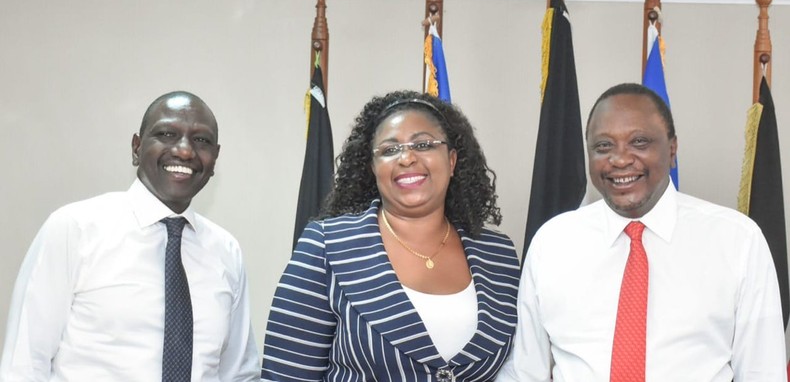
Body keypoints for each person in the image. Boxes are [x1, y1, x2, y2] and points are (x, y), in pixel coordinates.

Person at [497, 82, 786, 381]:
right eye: (603, 146)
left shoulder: (737, 241)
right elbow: (527, 372)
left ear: (672, 150)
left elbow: (762, 371)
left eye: (639, 142)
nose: (620, 159)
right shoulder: (552, 244)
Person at [261, 90, 520, 381]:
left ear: (452, 161)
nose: (407, 158)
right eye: (389, 150)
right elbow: (286, 374)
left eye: (423, 144)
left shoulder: (500, 256)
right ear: (373, 168)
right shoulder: (326, 246)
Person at [0, 91, 259, 381]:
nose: (185, 151)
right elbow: (23, 365)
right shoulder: (75, 229)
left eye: (201, 140)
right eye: (167, 134)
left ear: (214, 160)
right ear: (137, 148)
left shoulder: (225, 251)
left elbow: (238, 372)